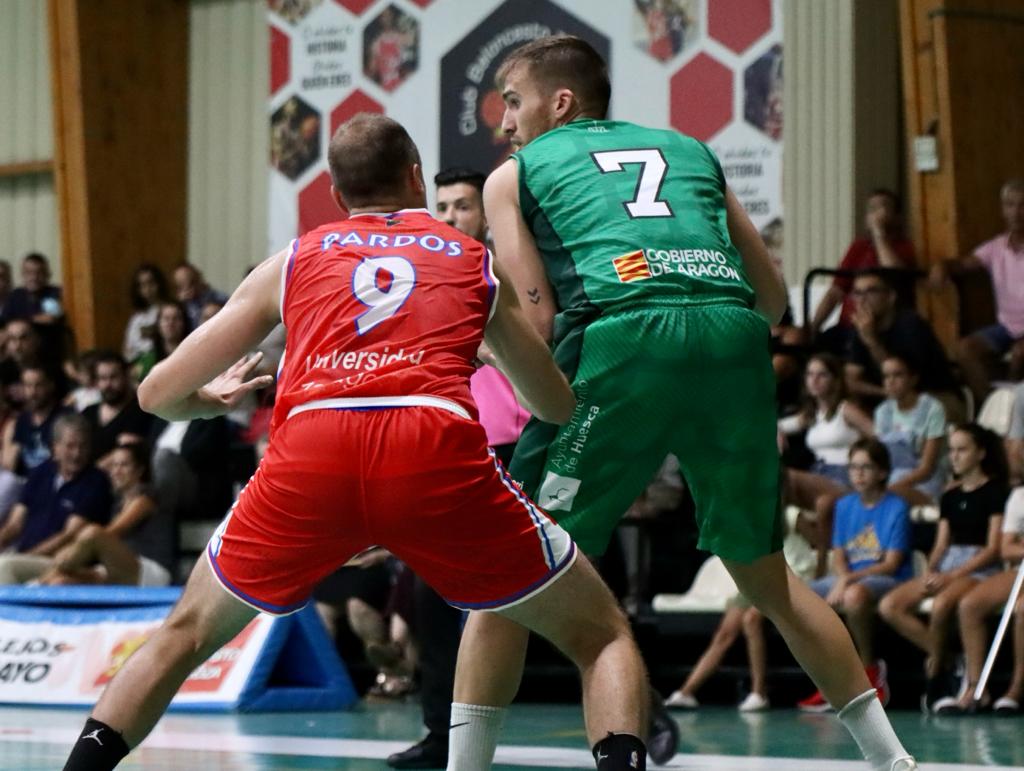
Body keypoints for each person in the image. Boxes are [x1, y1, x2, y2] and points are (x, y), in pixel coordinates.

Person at [61, 113, 650, 771]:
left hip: (313, 447)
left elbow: (154, 394)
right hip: (431, 445)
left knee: (184, 633)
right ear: (417, 178)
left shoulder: (292, 260)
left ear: (338, 198)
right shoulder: (472, 260)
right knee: (602, 637)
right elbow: (552, 404)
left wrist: (206, 400)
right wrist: (493, 354)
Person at [456, 34, 916, 771]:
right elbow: (772, 298)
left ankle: (464, 766)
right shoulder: (691, 148)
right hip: (732, 338)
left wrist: (484, 359)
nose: (503, 122)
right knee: (768, 575)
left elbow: (536, 323)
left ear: (560, 101)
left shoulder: (513, 175)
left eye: (512, 101)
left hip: (625, 335)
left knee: (514, 562)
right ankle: (894, 759)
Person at [386, 166, 532, 770]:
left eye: (463, 206)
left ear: (487, 215)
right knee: (431, 597)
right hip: (451, 455)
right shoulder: (424, 282)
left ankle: (639, 708)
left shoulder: (510, 279)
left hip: (518, 455)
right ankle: (439, 735)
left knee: (552, 594)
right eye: (442, 205)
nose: (450, 216)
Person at [878, 424, 1007, 712]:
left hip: (977, 569)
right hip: (948, 565)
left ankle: (937, 679)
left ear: (981, 453)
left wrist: (952, 576)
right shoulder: (950, 496)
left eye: (962, 450)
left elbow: (992, 548)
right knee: (890, 605)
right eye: (952, 450)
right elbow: (941, 543)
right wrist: (933, 570)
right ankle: (948, 659)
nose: (955, 456)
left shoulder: (996, 492)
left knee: (943, 604)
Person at [798, 439, 912, 712]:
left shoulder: (897, 507)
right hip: (850, 576)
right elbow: (839, 553)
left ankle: (869, 669)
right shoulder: (844, 505)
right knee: (803, 598)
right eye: (853, 467)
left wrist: (847, 580)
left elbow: (892, 563)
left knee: (854, 595)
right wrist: (843, 576)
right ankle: (830, 680)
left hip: (888, 579)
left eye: (866, 467)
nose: (858, 474)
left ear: (883, 472)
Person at [778, 354, 874, 574]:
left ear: (836, 380)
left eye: (822, 375)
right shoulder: (812, 414)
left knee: (785, 476)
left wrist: (860, 457)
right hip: (818, 476)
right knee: (806, 498)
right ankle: (789, 551)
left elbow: (878, 436)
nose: (814, 380)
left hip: (845, 476)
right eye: (810, 374)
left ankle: (810, 557)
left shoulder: (846, 410)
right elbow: (778, 425)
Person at [930, 179, 1024, 402]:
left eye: (1022, 205)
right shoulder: (996, 247)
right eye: (1010, 205)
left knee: (1020, 355)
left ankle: (1012, 411)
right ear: (1003, 210)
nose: (1016, 212)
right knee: (965, 349)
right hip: (1007, 327)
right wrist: (943, 265)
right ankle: (990, 408)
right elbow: (964, 264)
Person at [37, 442, 175, 587]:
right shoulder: (118, 504)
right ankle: (43, 581)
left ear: (139, 470)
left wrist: (73, 550)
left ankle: (36, 584)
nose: (116, 471)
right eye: (114, 465)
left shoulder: (147, 498)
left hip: (151, 572)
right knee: (60, 581)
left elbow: (113, 532)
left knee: (93, 533)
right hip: (117, 568)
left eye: (124, 465)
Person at [0, 414, 113, 583]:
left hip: (61, 562)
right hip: (24, 555)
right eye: (70, 446)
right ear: (55, 448)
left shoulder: (96, 481)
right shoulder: (40, 473)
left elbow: (69, 535)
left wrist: (27, 556)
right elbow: (15, 524)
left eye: (83, 446)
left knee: (5, 565)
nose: (77, 453)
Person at [946, 485, 1024, 715]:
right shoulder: (1019, 496)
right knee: (971, 605)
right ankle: (976, 687)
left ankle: (1017, 689)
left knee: (1022, 609)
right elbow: (1006, 549)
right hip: (1020, 568)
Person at [810, 191, 915, 356]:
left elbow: (895, 275)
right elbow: (835, 292)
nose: (876, 213)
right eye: (871, 208)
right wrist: (813, 327)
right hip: (848, 324)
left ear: (897, 216)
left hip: (885, 328)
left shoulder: (904, 246)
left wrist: (879, 234)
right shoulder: (858, 247)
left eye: (883, 206)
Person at [844, 270, 959, 411]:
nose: (862, 300)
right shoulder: (861, 327)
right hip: (890, 400)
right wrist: (884, 392)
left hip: (933, 397)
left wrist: (871, 340)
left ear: (891, 297)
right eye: (857, 293)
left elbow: (901, 377)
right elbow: (851, 381)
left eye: (871, 292)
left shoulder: (911, 325)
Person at [874, 355, 948, 505]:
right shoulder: (882, 411)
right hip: (891, 479)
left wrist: (889, 488)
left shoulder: (932, 408)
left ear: (913, 379)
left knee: (886, 499)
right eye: (886, 376)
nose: (891, 381)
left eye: (898, 375)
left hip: (925, 481)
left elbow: (927, 468)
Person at [80, 352, 152, 467]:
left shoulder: (140, 411)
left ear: (125, 377)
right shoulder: (88, 413)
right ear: (96, 382)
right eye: (103, 378)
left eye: (113, 377)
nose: (108, 384)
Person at [123, 264, 170, 364]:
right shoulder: (137, 318)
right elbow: (127, 348)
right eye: (142, 285)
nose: (148, 289)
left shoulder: (168, 310)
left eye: (151, 283)